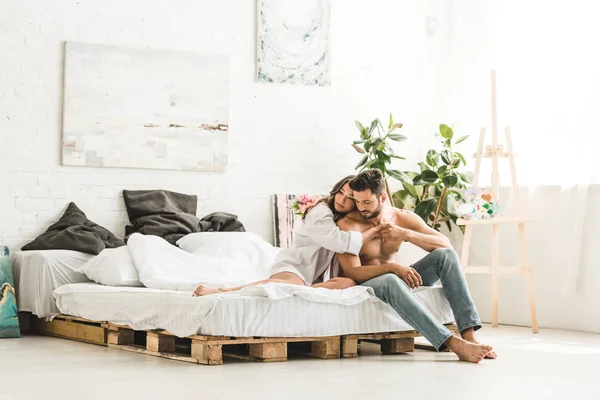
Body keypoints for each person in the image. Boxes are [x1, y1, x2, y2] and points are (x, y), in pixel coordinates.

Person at [335, 168, 496, 363]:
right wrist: (392, 268)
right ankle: (453, 344)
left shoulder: (401, 218)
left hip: (396, 275)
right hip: (371, 281)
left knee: (445, 256)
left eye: (367, 202)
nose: (361, 208)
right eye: (357, 201)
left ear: (383, 197)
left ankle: (469, 336)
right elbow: (354, 272)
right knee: (390, 280)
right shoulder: (348, 224)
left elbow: (445, 243)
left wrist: (406, 234)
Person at [193, 175, 383, 296]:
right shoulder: (321, 212)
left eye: (350, 198)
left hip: (312, 275)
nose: (342, 199)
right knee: (286, 284)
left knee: (347, 283)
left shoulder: (340, 218)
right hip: (295, 266)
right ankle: (222, 291)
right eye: (341, 192)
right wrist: (375, 230)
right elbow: (340, 242)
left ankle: (302, 292)